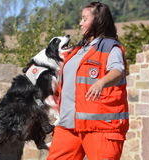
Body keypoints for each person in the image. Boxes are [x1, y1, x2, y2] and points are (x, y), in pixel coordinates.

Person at [47, 2, 129, 160]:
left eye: (85, 19)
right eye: (81, 19)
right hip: (68, 125)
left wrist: (101, 82)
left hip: (101, 128)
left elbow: (118, 71)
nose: (80, 23)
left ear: (98, 20)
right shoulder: (78, 50)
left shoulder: (111, 47)